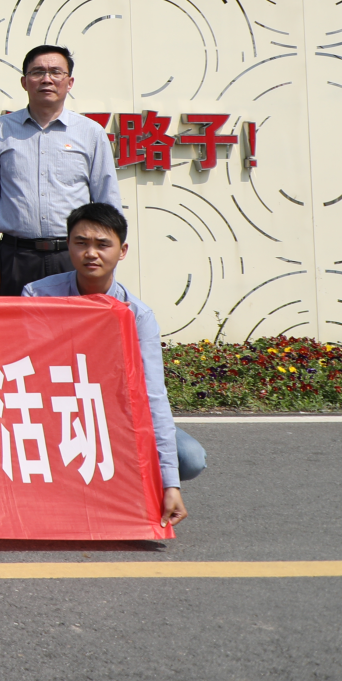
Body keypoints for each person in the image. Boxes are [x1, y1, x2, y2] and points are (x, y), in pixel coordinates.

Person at [24, 202, 206, 526]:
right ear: (68, 246)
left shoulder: (138, 315)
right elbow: (27, 371)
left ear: (122, 251)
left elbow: (153, 395)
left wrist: (170, 484)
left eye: (102, 244)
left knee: (189, 458)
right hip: (54, 411)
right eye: (81, 243)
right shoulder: (38, 297)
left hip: (115, 417)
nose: (90, 253)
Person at [0, 45, 123, 298]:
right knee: (18, 325)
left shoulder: (90, 132)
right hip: (16, 257)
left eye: (56, 72)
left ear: (70, 82)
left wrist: (107, 260)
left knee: (77, 324)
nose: (46, 79)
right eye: (37, 72)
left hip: (73, 256)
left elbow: (107, 201)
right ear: (24, 82)